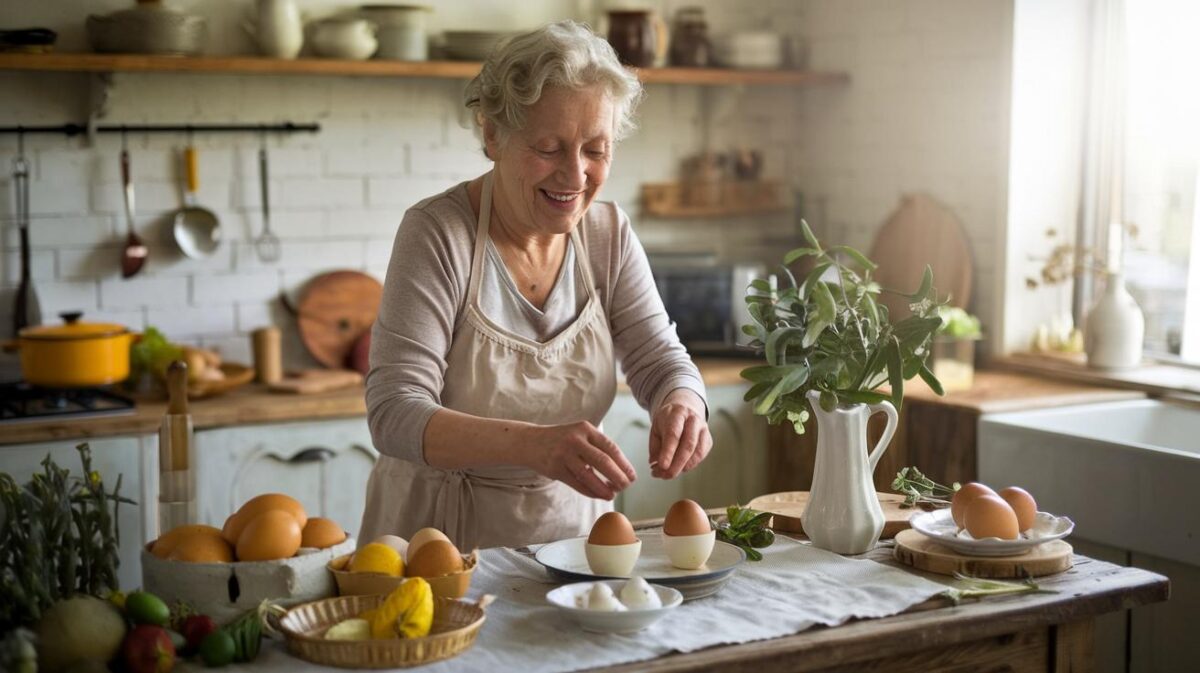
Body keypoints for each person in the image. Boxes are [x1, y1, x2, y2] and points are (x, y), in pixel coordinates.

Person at [359, 21, 711, 551]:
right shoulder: (437, 233)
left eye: (596, 150)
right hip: (437, 548)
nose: (574, 175)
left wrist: (682, 402)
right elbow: (394, 413)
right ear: (492, 134)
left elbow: (661, 359)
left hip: (576, 550)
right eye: (548, 147)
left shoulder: (608, 235)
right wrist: (533, 445)